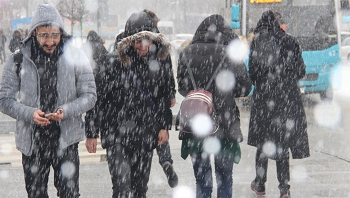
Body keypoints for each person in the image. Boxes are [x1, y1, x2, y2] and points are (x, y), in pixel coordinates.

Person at [0, 4, 97, 198]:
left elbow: (90, 95)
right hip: (32, 142)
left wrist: (66, 111)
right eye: (44, 35)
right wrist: (30, 113)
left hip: (66, 140)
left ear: (61, 32)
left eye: (54, 35)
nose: (50, 41)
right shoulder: (17, 59)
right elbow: (4, 99)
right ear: (34, 32)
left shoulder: (76, 56)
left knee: (69, 194)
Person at [85, 11, 174, 197]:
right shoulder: (112, 63)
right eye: (137, 41)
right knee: (122, 188)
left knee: (140, 189)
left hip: (146, 134)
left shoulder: (159, 60)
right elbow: (98, 99)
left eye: (147, 40)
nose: (143, 46)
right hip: (117, 134)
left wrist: (164, 126)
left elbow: (163, 98)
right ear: (128, 40)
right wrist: (91, 133)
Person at [177, 14, 252, 198]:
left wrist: (200, 94)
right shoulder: (229, 53)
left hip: (195, 125)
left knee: (202, 181)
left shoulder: (187, 52)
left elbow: (183, 88)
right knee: (224, 179)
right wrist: (224, 93)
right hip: (224, 124)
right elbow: (245, 88)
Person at [247, 10, 310, 198]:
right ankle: (284, 188)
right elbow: (301, 71)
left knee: (263, 142)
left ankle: (260, 183)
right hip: (287, 99)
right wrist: (285, 80)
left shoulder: (257, 42)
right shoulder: (290, 41)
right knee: (282, 144)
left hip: (265, 100)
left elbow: (253, 73)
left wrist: (267, 81)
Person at [143, 8, 178, 188]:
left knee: (146, 134)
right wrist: (171, 93)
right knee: (161, 130)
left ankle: (142, 178)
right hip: (160, 96)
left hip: (142, 96)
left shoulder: (138, 40)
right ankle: (166, 161)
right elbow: (168, 72)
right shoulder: (162, 43)